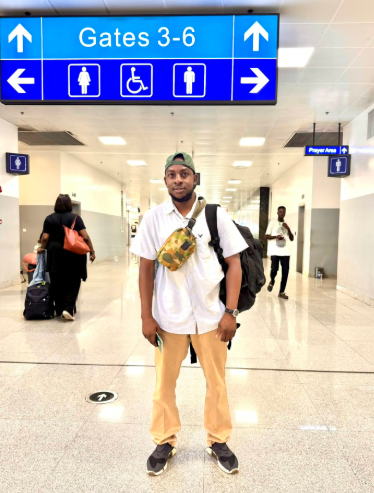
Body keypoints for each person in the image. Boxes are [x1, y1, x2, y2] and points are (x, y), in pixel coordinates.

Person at [130, 152, 248, 476]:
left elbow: (235, 263)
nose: (178, 180)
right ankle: (164, 440)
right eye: (172, 175)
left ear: (195, 178)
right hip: (168, 317)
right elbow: (145, 269)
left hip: (211, 316)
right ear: (165, 180)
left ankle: (218, 440)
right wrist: (146, 316)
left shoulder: (215, 215)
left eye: (184, 174)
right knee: (163, 385)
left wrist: (230, 312)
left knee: (217, 382)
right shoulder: (154, 218)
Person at [38, 194, 96, 321]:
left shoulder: (49, 218)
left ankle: (59, 309)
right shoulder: (76, 218)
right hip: (73, 253)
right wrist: (92, 251)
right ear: (70, 205)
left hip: (55, 254)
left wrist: (42, 248)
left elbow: (45, 238)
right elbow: (85, 237)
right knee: (73, 280)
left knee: (56, 281)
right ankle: (69, 308)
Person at [265, 206, 294, 300]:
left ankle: (281, 292)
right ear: (277, 213)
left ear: (285, 213)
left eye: (283, 212)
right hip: (275, 251)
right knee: (274, 270)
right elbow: (266, 236)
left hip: (285, 252)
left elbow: (292, 238)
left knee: (285, 272)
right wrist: (276, 237)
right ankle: (272, 281)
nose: (282, 213)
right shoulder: (272, 223)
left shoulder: (287, 224)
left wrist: (288, 228)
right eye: (280, 212)